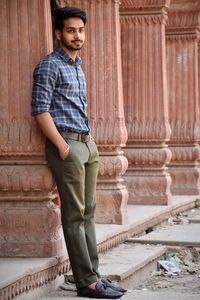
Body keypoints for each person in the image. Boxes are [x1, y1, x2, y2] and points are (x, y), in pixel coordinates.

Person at [31, 6, 126, 299]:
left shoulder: (76, 65)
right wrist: (61, 146)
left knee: (88, 213)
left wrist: (89, 142)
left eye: (81, 30)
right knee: (74, 215)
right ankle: (86, 282)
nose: (77, 35)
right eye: (71, 30)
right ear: (59, 34)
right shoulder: (50, 65)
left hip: (87, 143)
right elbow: (40, 110)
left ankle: (94, 275)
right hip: (68, 145)